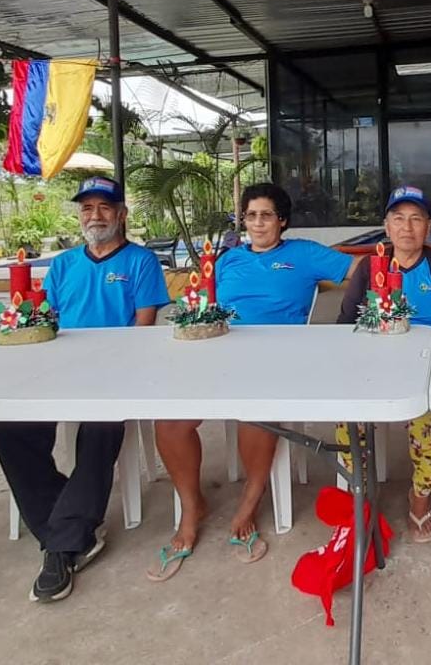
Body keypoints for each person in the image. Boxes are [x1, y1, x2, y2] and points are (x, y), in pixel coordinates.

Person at [151, 183, 360, 578]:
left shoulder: (304, 254)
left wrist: (352, 313)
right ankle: (192, 507)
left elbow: (363, 270)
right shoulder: (227, 260)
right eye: (251, 216)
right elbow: (204, 302)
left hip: (278, 358)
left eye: (266, 215)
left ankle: (249, 502)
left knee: (255, 413)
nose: (258, 223)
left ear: (282, 220)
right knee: (171, 421)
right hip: (221, 352)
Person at [0, 176, 171, 603]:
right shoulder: (64, 264)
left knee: (101, 429)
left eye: (104, 207)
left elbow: (144, 330)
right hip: (59, 369)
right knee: (7, 425)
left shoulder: (141, 262)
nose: (95, 215)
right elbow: (48, 321)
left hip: (117, 371)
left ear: (121, 214)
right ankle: (69, 531)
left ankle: (62, 544)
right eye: (87, 208)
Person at [335, 186, 431, 543]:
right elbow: (344, 325)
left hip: (429, 370)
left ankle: (420, 494)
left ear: (428, 227)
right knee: (349, 419)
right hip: (374, 367)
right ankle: (359, 492)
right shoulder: (370, 269)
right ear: (387, 227)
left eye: (416, 219)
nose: (407, 227)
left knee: (429, 424)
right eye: (398, 219)